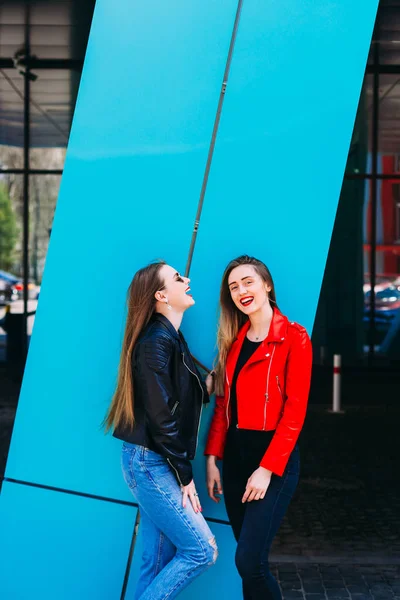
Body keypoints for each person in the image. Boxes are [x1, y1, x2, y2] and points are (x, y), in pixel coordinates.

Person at [105, 261, 217, 600]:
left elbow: (185, 393)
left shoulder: (171, 337)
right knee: (202, 551)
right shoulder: (156, 341)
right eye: (178, 278)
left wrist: (218, 373)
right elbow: (161, 415)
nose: (187, 280)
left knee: (155, 563)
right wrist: (186, 476)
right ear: (161, 295)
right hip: (152, 462)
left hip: (154, 459)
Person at [205, 255, 312, 599]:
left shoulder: (295, 338)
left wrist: (266, 469)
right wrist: (211, 459)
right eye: (234, 287)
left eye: (248, 282)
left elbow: (295, 413)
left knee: (249, 562)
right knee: (249, 564)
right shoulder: (234, 342)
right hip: (235, 462)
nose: (241, 291)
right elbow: (223, 406)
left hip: (273, 464)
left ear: (267, 285)